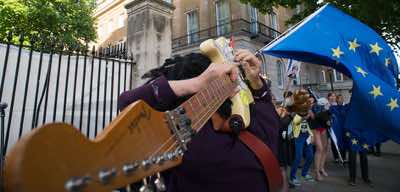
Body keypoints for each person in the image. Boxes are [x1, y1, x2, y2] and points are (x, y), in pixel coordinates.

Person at [117, 50, 280, 192]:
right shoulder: (259, 133)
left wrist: (196, 83)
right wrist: (256, 82)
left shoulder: (184, 148)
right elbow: (268, 113)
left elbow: (127, 103)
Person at [289, 89, 315, 186]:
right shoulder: (293, 110)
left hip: (307, 135)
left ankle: (304, 173)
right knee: (298, 157)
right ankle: (292, 177)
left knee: (310, 156)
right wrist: (306, 116)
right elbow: (295, 121)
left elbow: (313, 119)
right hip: (298, 136)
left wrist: (311, 114)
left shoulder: (307, 109)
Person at [275, 91, 296, 191]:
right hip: (279, 140)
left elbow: (284, 124)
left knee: (283, 166)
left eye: (274, 99)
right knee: (281, 166)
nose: (274, 100)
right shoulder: (278, 110)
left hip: (283, 140)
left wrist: (289, 115)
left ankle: (285, 186)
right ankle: (285, 184)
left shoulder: (285, 111)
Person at [309, 96, 330, 181]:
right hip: (316, 129)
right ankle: (317, 172)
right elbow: (313, 118)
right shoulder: (313, 107)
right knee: (319, 149)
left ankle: (321, 168)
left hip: (323, 129)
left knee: (325, 149)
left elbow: (328, 119)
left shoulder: (326, 109)